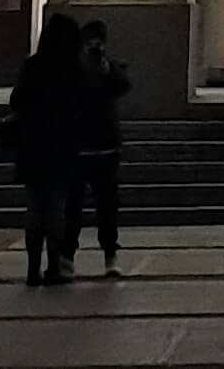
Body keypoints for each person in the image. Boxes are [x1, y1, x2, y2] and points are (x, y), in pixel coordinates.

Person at [1, 14, 89, 284]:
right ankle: (54, 267)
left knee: (35, 209)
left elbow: (17, 100)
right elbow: (84, 106)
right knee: (56, 211)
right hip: (63, 148)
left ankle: (32, 268)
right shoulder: (74, 70)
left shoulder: (33, 66)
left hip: (33, 146)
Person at [75, 18, 133, 278]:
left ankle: (110, 254)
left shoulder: (111, 68)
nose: (94, 47)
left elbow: (123, 86)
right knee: (73, 205)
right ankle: (67, 254)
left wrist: (105, 66)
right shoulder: (73, 71)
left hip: (106, 147)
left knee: (107, 206)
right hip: (80, 146)